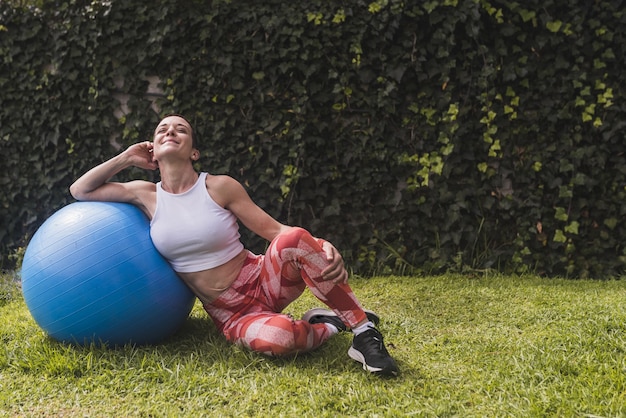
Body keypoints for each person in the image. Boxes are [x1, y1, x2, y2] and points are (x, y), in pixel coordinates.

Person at [70, 114, 399, 377]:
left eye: (180, 129)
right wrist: (127, 157)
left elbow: (278, 232)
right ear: (152, 151)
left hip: (260, 279)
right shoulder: (144, 194)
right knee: (281, 339)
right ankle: (327, 323)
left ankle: (364, 333)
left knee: (295, 238)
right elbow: (80, 190)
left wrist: (324, 246)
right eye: (162, 130)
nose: (170, 132)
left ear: (194, 152)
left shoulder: (219, 187)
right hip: (229, 313)